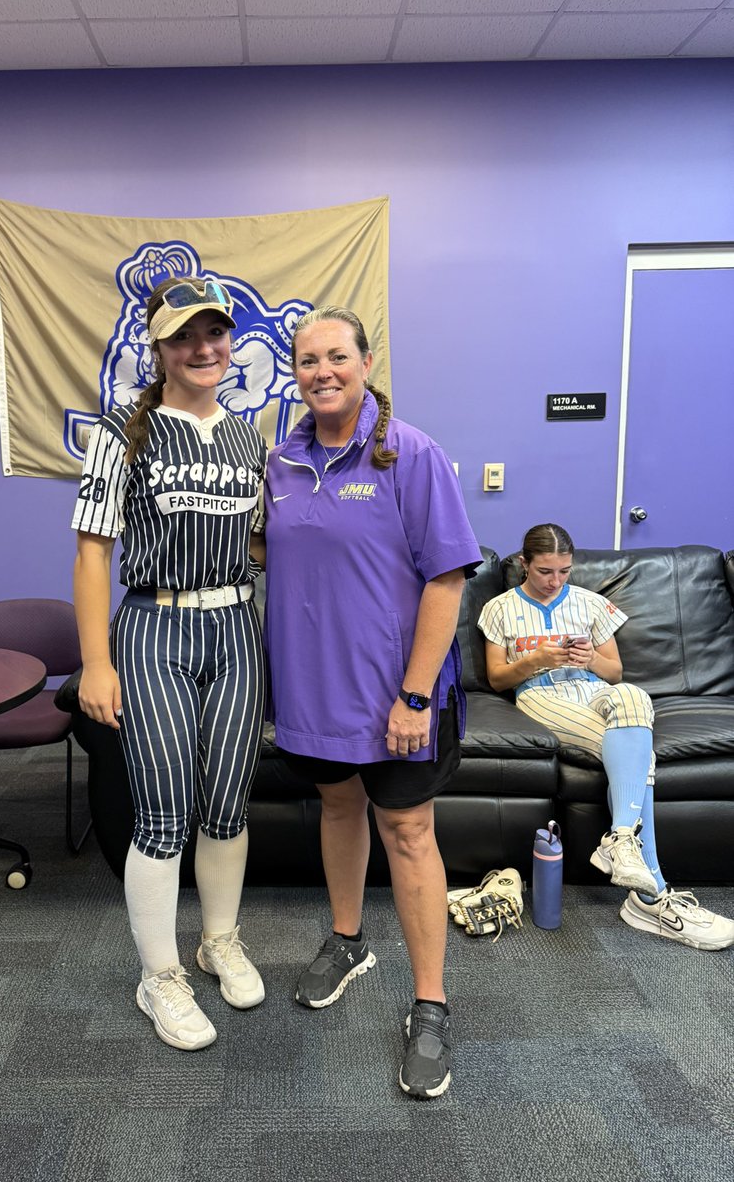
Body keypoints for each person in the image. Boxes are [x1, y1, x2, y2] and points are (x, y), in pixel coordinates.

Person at [262, 305, 481, 1100]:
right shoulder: (279, 464)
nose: (322, 371)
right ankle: (348, 941)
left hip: (398, 696)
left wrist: (416, 694)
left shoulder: (409, 453)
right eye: (307, 359)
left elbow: (447, 578)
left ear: (365, 361)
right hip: (313, 693)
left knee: (409, 831)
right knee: (338, 810)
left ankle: (431, 1005)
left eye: (336, 357)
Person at [72, 276, 268, 1051]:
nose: (203, 349)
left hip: (235, 625)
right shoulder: (124, 432)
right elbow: (94, 549)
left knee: (226, 802)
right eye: (184, 336)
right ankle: (159, 977)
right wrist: (96, 661)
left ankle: (217, 940)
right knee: (161, 810)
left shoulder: (253, 439)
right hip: (154, 627)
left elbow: (257, 543)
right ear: (158, 348)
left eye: (214, 333)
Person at [478, 522, 734, 951]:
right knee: (637, 755)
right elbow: (498, 678)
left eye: (564, 571)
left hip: (597, 693)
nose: (555, 581)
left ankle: (619, 840)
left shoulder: (592, 603)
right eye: (545, 571)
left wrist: (592, 658)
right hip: (543, 697)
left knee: (633, 697)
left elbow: (616, 673)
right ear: (524, 564)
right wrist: (537, 659)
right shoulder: (500, 608)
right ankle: (653, 895)